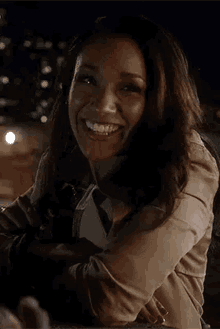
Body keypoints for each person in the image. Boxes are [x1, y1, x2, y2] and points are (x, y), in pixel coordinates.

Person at [0, 15, 219, 329]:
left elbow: (107, 299)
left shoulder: (187, 165)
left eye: (129, 88)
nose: (102, 104)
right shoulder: (70, 158)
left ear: (158, 98)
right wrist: (71, 256)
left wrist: (31, 258)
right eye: (87, 80)